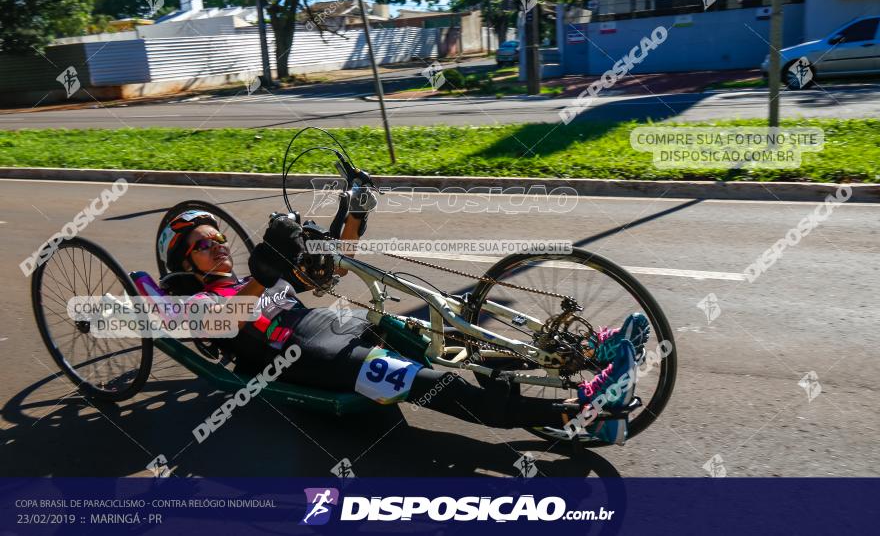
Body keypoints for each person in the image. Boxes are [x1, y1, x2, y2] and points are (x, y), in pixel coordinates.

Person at [156, 188, 648, 444]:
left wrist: (354, 209)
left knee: (464, 347)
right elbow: (226, 324)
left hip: (345, 327)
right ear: (183, 262)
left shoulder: (253, 280)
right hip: (315, 356)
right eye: (202, 245)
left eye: (219, 240)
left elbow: (331, 262)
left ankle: (591, 352)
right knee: (439, 386)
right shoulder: (196, 303)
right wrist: (264, 271)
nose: (216, 248)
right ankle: (588, 413)